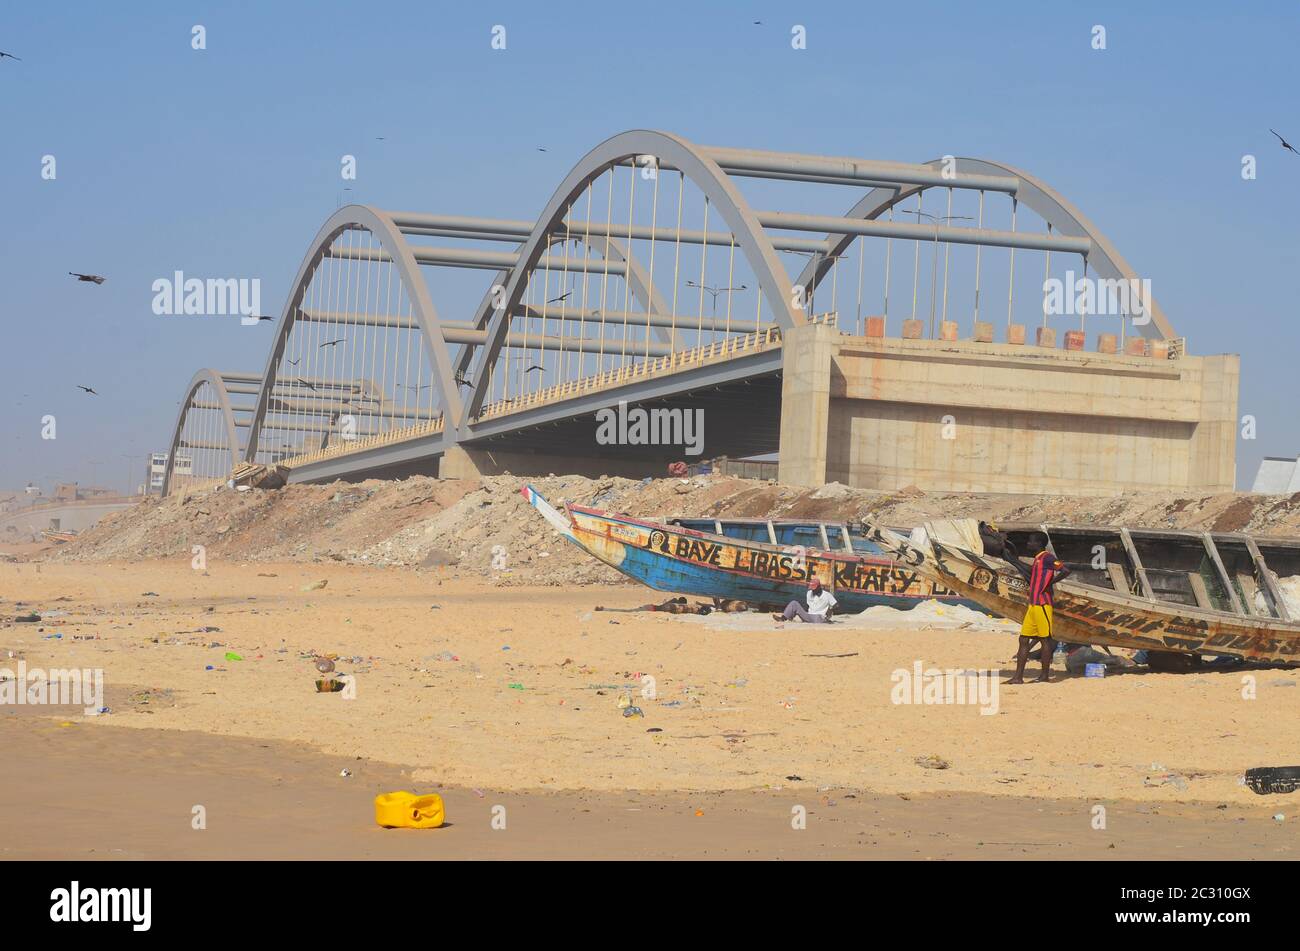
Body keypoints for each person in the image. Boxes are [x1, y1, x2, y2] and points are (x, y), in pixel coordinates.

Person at [1008, 533, 1071, 683]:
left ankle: (1044, 676)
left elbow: (1065, 570)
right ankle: (1018, 677)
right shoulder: (1037, 559)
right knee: (1023, 639)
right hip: (1033, 604)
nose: (1028, 544)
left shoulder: (1047, 557)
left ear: (1038, 543)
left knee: (1045, 640)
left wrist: (1050, 583)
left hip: (1043, 604)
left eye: (1030, 541)